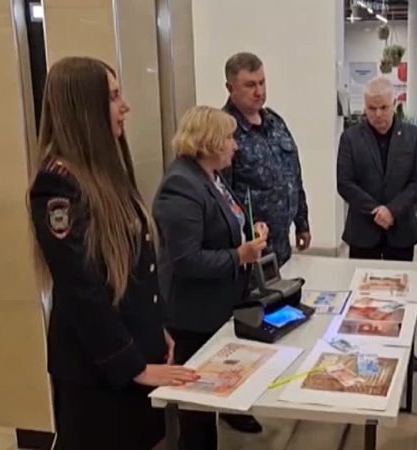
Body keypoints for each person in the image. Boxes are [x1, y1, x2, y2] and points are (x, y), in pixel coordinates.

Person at [28, 57, 199, 450]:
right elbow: (82, 290)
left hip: (133, 356)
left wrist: (155, 330)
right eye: (113, 97)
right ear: (85, 108)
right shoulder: (58, 185)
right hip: (97, 373)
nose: (125, 107)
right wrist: (132, 364)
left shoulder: (104, 173)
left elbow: (135, 268)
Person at [153, 106, 270, 444]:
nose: (235, 145)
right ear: (210, 142)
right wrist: (240, 255)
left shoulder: (211, 177)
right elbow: (187, 260)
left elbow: (226, 225)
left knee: (212, 401)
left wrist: (250, 233)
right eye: (229, 138)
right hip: (193, 317)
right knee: (197, 414)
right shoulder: (181, 185)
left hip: (218, 308)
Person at [337, 77, 417, 372]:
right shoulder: (351, 138)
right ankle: (363, 346)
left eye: (383, 108)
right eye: (371, 108)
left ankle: (405, 349)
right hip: (363, 232)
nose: (377, 114)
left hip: (400, 231)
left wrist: (393, 210)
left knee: (401, 296)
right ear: (364, 107)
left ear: (394, 104)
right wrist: (376, 210)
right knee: (363, 296)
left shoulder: (413, 136)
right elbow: (345, 182)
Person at [222, 52, 310, 266]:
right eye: (250, 85)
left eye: (262, 82)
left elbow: (294, 176)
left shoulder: (275, 122)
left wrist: (302, 223)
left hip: (282, 245)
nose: (259, 92)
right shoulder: (224, 130)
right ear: (230, 88)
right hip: (250, 251)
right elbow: (222, 194)